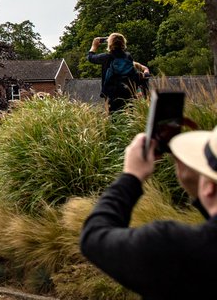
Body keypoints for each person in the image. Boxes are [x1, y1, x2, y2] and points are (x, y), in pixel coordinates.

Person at [79, 127, 217, 298]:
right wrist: (199, 192)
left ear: (210, 187)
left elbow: (93, 237)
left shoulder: (170, 246)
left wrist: (131, 177)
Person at [88, 33, 150, 115]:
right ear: (123, 43)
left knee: (114, 119)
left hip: (112, 94)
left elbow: (90, 58)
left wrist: (94, 46)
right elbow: (136, 69)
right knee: (129, 117)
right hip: (129, 92)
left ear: (110, 43)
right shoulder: (128, 56)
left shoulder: (107, 57)